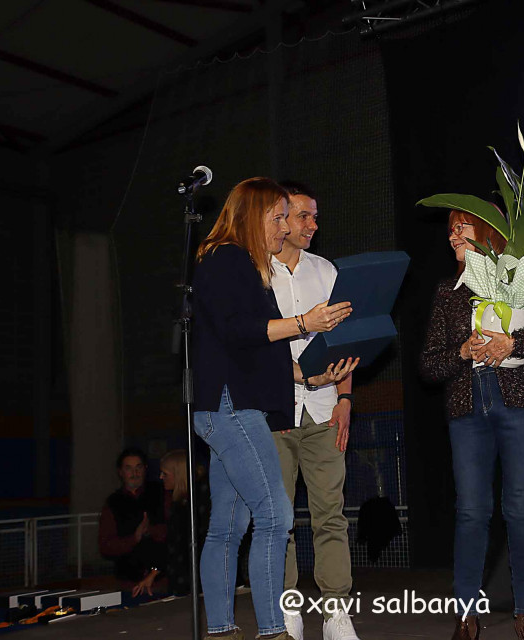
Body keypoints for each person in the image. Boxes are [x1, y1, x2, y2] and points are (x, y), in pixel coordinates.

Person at [192, 177, 358, 640]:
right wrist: (304, 322)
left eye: (289, 218)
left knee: (229, 524)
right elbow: (240, 330)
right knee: (275, 516)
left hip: (232, 405)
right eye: (279, 217)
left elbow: (256, 348)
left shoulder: (240, 262)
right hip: (232, 406)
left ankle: (222, 630)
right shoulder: (228, 258)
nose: (285, 228)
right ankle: (273, 630)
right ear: (253, 215)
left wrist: (310, 378)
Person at [420, 210, 524, 640]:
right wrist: (461, 352)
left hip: (522, 405)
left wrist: (514, 342)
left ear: (487, 232)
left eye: (461, 227)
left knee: (521, 508)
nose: (453, 235)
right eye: (449, 229)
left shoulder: (521, 280)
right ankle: (466, 616)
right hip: (467, 410)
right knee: (471, 511)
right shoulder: (447, 292)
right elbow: (429, 366)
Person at [269, 181, 359, 640]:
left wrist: (345, 398)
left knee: (331, 515)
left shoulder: (326, 270)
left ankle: (336, 614)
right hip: (275, 411)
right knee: (278, 519)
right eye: (304, 216)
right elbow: (251, 345)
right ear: (280, 217)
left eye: (315, 217)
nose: (312, 225)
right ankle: (287, 613)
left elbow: (347, 341)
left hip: (325, 410)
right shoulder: (255, 271)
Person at [131, 449, 210, 598]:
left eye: (165, 474)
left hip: (198, 582)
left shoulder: (197, 504)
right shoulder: (180, 502)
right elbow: (173, 545)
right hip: (187, 581)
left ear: (178, 474)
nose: (161, 477)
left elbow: (184, 545)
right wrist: (154, 572)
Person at [98, 447, 167, 591]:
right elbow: (105, 546)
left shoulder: (161, 493)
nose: (134, 473)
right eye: (128, 468)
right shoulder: (113, 503)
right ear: (120, 472)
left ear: (145, 469)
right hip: (129, 581)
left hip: (161, 580)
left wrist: (151, 530)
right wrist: (134, 538)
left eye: (138, 467)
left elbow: (176, 531)